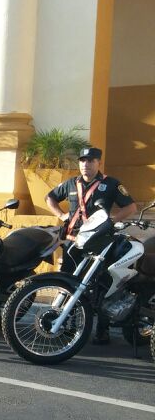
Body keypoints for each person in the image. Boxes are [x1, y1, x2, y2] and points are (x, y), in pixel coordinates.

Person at [45, 146, 137, 345]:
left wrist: (111, 221)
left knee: (101, 285)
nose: (85, 164)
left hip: (100, 244)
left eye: (90, 161)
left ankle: (102, 331)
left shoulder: (111, 184)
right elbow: (49, 197)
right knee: (68, 283)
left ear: (99, 163)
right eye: (83, 160)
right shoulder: (71, 183)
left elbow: (130, 206)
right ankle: (67, 325)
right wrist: (61, 215)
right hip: (73, 243)